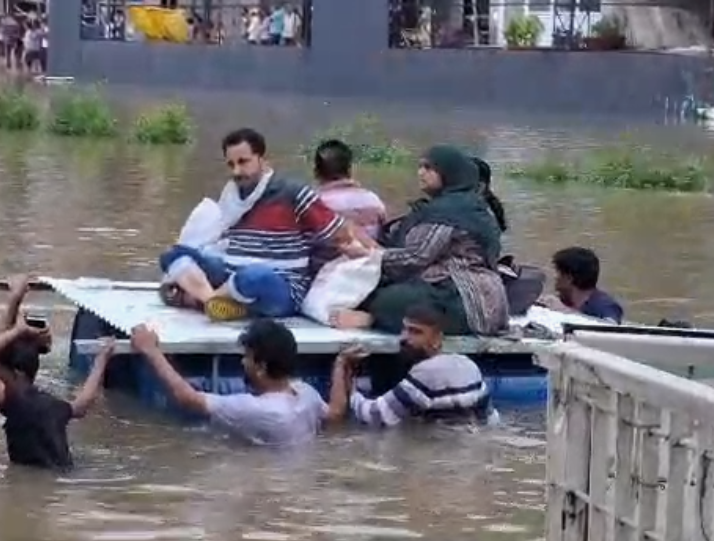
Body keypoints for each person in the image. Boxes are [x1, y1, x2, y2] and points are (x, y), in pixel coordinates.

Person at [158, 128, 363, 321]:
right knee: (174, 254)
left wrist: (365, 250)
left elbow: (340, 231)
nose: (237, 171)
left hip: (279, 288)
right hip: (231, 276)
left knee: (253, 275)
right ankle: (212, 301)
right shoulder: (231, 198)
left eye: (243, 162)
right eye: (231, 164)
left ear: (262, 160)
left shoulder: (293, 192)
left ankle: (209, 302)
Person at [331, 145, 509, 336]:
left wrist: (368, 255)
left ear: (448, 172)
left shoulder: (452, 210)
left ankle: (371, 318)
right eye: (420, 167)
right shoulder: (454, 206)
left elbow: (417, 257)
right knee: (374, 289)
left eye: (428, 168)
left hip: (466, 301)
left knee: (388, 299)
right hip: (451, 291)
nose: (421, 173)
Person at [0, 276, 115, 469]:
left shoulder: (15, 401)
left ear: (13, 372)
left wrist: (17, 330)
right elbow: (81, 405)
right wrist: (102, 359)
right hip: (64, 471)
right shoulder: (50, 403)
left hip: (34, 481)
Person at [129, 319, 346, 446]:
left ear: (261, 367)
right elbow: (335, 412)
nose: (243, 362)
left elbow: (187, 398)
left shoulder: (257, 409)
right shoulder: (306, 394)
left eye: (247, 357)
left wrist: (151, 350)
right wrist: (341, 365)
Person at [330, 305, 493, 428]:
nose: (404, 337)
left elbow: (373, 416)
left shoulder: (426, 373)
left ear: (437, 339)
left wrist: (351, 385)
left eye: (415, 332)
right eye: (404, 329)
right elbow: (490, 419)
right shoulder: (469, 365)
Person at [540, 247, 624, 323]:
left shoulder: (604, 304)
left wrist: (565, 311)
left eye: (558, 272)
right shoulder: (564, 299)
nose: (554, 276)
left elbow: (610, 326)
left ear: (569, 278)